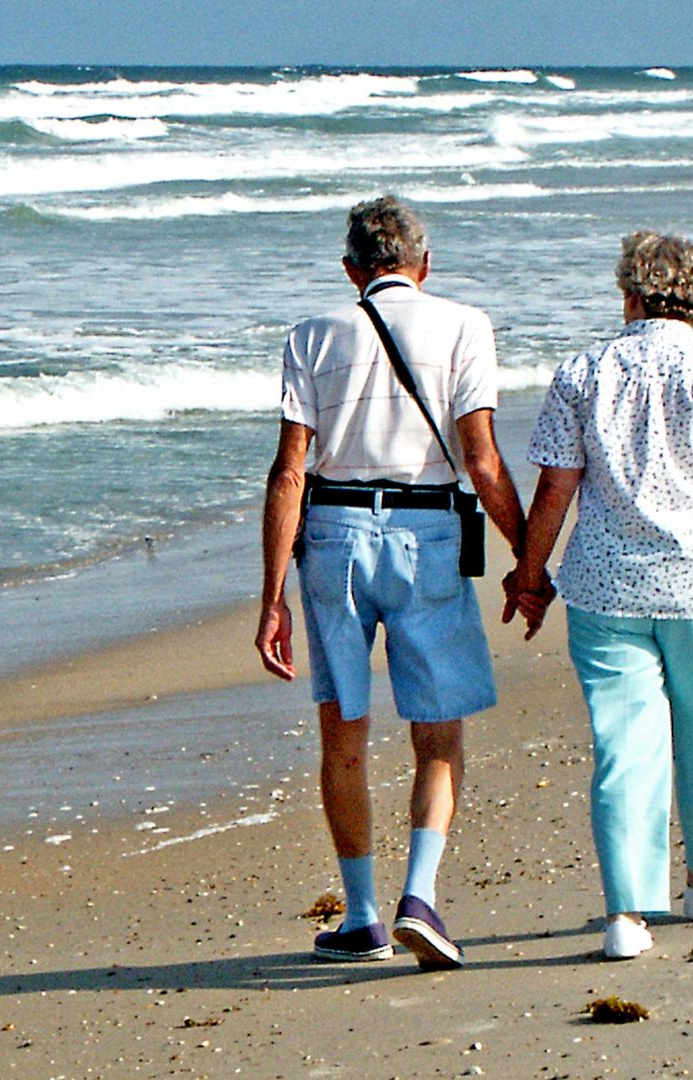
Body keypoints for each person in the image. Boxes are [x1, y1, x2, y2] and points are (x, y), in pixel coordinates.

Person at [506, 231, 693, 961]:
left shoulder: (582, 371)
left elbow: (556, 486)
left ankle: (625, 915)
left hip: (606, 588)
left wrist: (528, 574)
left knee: (624, 750)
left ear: (629, 294)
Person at [256, 196, 530, 968]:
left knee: (344, 732)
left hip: (334, 536)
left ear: (352, 271)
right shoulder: (464, 325)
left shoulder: (312, 335)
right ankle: (422, 895)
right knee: (438, 733)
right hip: (428, 532)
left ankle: (364, 916)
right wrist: (528, 560)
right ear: (425, 263)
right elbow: (481, 459)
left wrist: (272, 594)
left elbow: (288, 473)